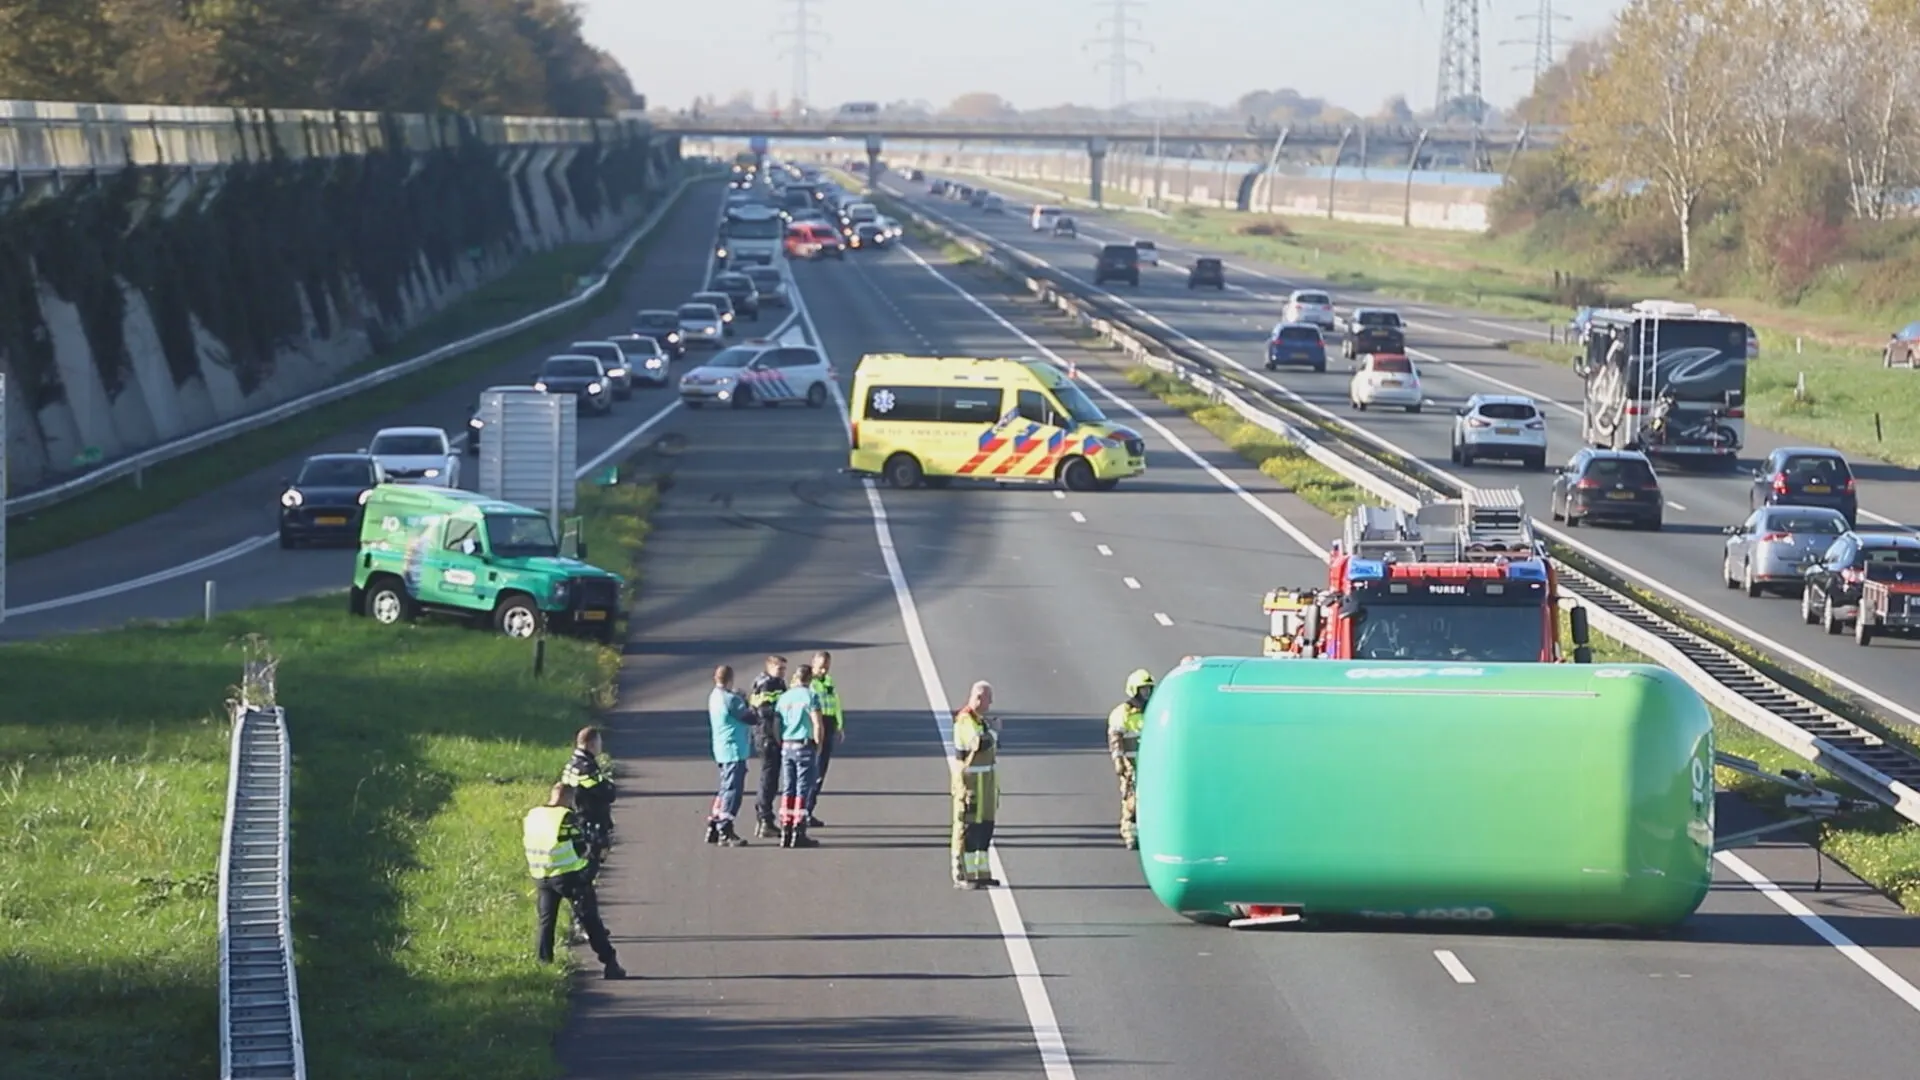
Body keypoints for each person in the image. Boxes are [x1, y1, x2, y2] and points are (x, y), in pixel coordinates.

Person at [523, 783, 626, 979]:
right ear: (569, 798)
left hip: (542, 875)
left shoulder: (534, 815)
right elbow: (580, 847)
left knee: (546, 922)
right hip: (569, 876)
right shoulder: (565, 818)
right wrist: (596, 853)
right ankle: (610, 964)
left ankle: (544, 965)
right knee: (591, 922)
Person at [950, 681, 1001, 889]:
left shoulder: (980, 720)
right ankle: (964, 873)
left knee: (984, 827)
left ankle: (981, 872)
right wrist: (995, 732)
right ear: (979, 697)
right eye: (989, 698)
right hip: (970, 784)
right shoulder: (965, 720)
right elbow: (978, 744)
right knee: (968, 826)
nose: (991, 702)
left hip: (985, 783)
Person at [774, 664, 827, 849]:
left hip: (787, 745)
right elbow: (817, 723)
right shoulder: (810, 696)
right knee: (803, 788)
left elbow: (777, 722)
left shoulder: (784, 697)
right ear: (810, 678)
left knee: (788, 787)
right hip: (804, 745)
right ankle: (799, 830)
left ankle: (785, 829)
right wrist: (819, 744)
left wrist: (781, 741)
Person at [706, 664, 754, 847]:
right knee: (733, 791)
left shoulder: (714, 696)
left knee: (724, 788)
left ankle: (714, 823)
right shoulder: (731, 700)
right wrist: (748, 702)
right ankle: (725, 828)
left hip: (720, 748)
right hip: (734, 749)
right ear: (730, 679)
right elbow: (750, 718)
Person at [1107, 670, 1153, 849]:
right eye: (1143, 690)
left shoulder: (1154, 710)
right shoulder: (1122, 713)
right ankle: (1129, 832)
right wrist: (1118, 760)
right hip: (1131, 764)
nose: (1146, 694)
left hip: (1150, 763)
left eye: (1149, 690)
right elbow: (1115, 739)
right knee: (1131, 800)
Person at [748, 655, 789, 839]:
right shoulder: (768, 684)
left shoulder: (773, 682)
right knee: (769, 778)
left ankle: (765, 818)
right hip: (768, 737)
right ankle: (764, 818)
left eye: (784, 669)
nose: (782, 672)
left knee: (770, 777)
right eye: (779, 668)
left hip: (768, 736)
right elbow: (764, 711)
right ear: (769, 667)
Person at [561, 727, 614, 869]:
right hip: (589, 821)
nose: (600, 747)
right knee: (590, 864)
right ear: (591, 744)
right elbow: (607, 793)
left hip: (577, 817)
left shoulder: (571, 764)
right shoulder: (586, 768)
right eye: (599, 743)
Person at [806, 650, 845, 827]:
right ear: (813, 664)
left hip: (828, 724)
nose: (824, 671)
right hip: (815, 726)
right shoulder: (807, 683)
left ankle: (809, 809)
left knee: (821, 771)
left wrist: (839, 724)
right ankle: (803, 810)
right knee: (811, 771)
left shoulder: (828, 681)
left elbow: (835, 703)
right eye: (821, 667)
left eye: (826, 668)